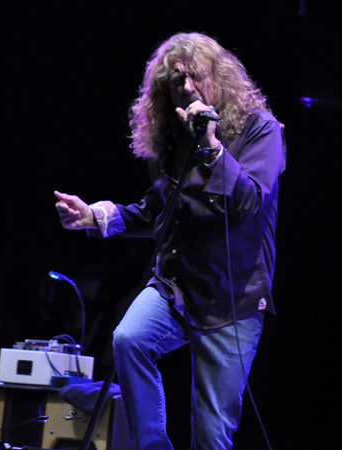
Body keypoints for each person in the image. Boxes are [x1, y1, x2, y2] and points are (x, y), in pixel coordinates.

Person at [54, 32, 285, 450]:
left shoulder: (260, 129)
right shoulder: (176, 139)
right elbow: (158, 207)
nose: (187, 88)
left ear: (219, 78)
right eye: (177, 80)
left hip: (232, 298)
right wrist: (95, 216)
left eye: (195, 76)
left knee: (211, 435)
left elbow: (250, 201)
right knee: (129, 340)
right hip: (176, 286)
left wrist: (213, 148)